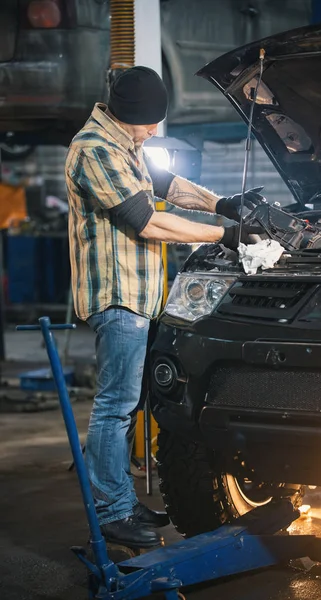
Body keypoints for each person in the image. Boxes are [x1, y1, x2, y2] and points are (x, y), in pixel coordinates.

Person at [65, 66, 262, 549]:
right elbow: (147, 221)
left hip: (143, 297)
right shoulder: (93, 150)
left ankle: (122, 500)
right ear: (131, 115)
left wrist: (225, 205)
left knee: (130, 403)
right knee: (114, 406)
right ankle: (111, 512)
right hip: (118, 297)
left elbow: (171, 186)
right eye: (151, 122)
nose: (155, 130)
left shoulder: (124, 146)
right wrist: (226, 235)